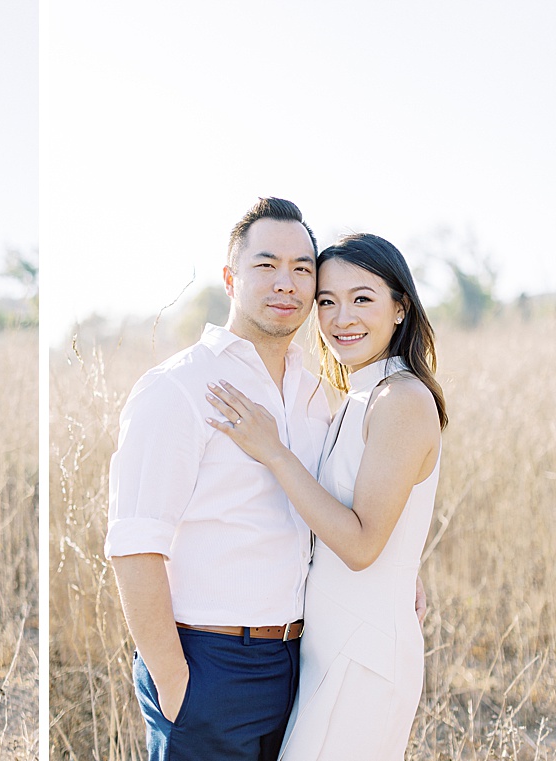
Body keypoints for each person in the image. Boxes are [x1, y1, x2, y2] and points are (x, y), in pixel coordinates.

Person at [106, 198, 331, 761]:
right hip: (208, 664)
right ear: (231, 278)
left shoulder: (318, 392)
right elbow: (135, 546)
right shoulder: (179, 387)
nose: (287, 282)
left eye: (302, 268)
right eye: (266, 265)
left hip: (301, 661)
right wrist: (176, 683)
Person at [205, 233, 445, 760]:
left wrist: (273, 450)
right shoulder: (363, 396)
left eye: (362, 298)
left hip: (366, 654)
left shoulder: (402, 399)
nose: (342, 318)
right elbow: (371, 516)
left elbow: (361, 547)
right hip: (331, 645)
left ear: (400, 307)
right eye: (327, 302)